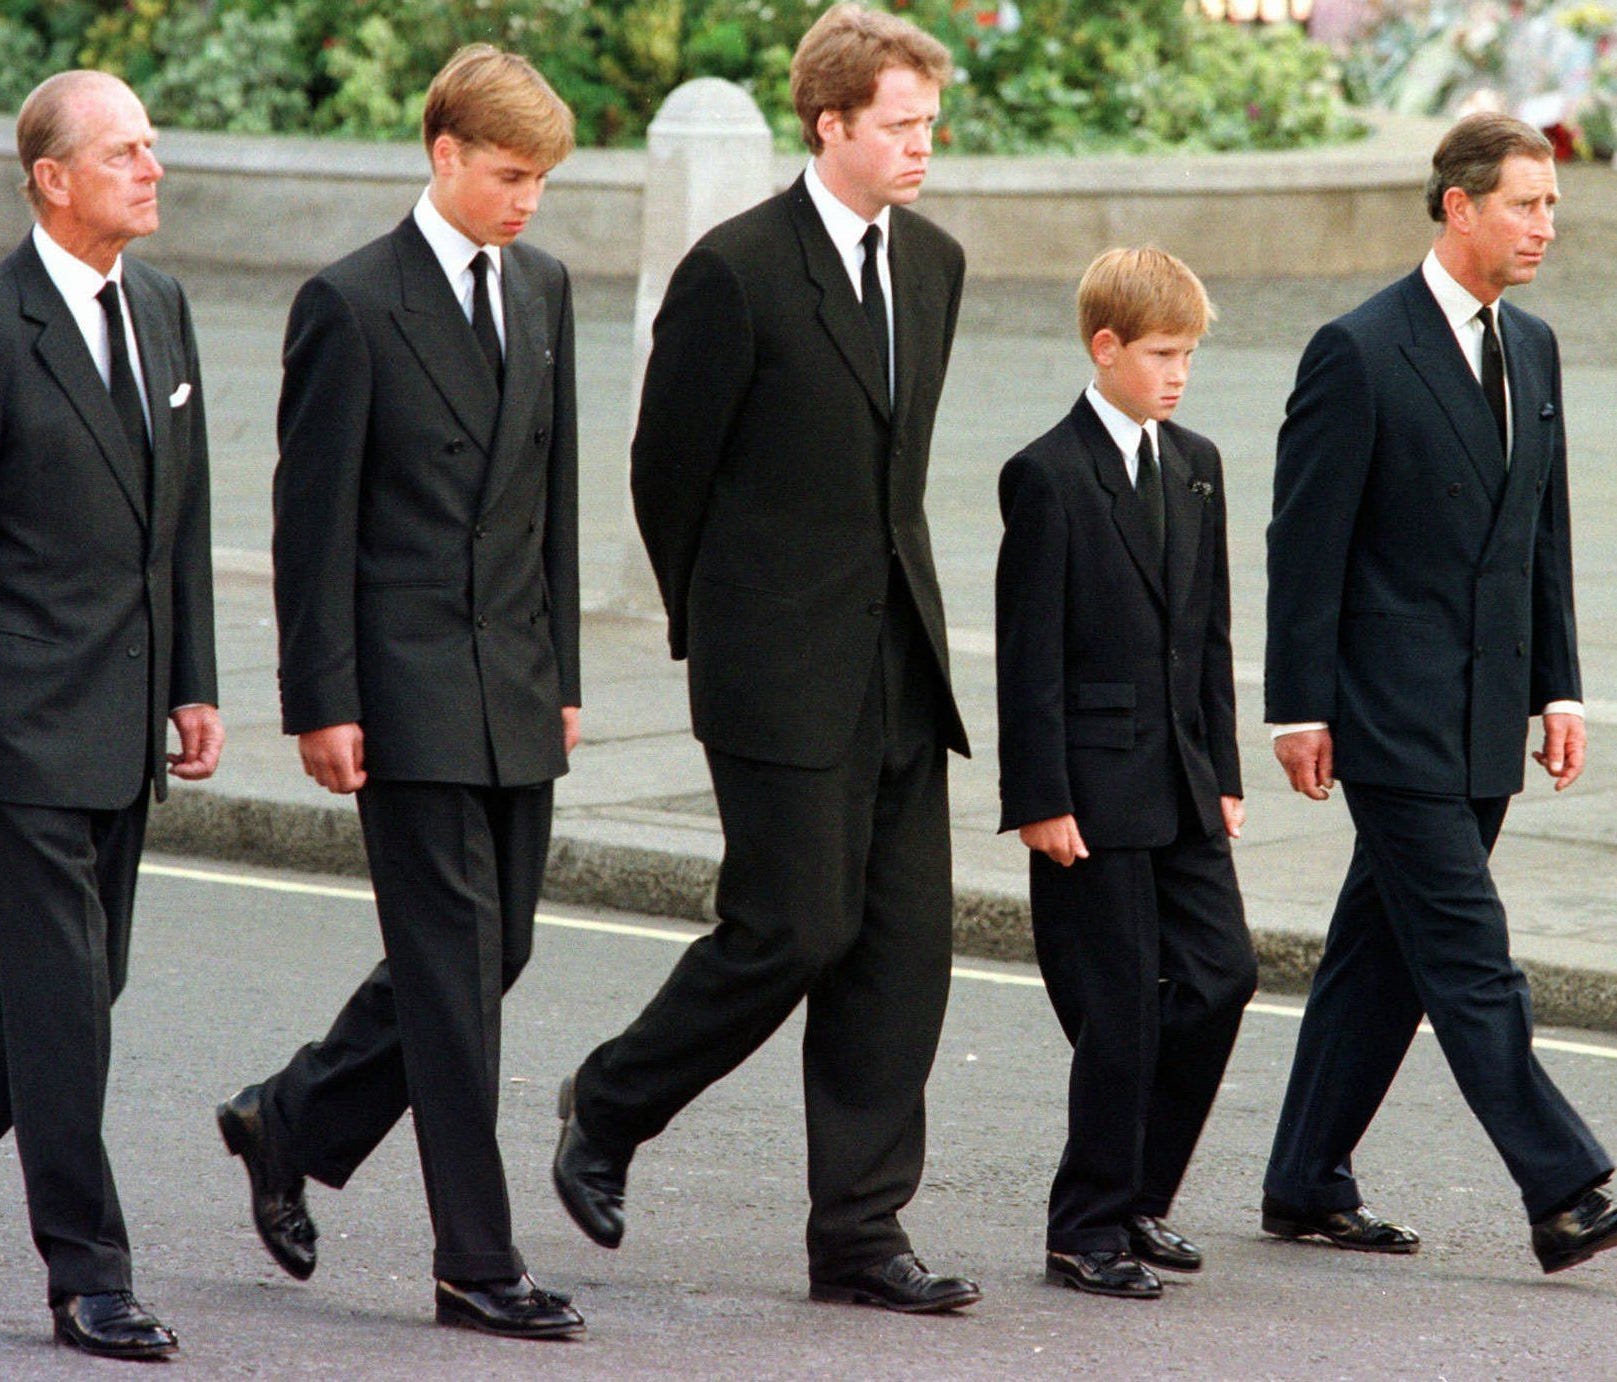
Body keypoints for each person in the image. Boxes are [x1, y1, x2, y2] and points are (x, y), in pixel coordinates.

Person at [551, 3, 979, 1314]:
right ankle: (610, 1100)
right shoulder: (735, 270)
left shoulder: (935, 264)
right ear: (831, 122)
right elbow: (663, 472)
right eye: (899, 124)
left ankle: (858, 1235)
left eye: (927, 122)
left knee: (903, 950)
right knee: (792, 923)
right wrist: (719, 628)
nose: (923, 144)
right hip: (772, 667)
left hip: (898, 658)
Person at [216, 45, 585, 1339]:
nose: (526, 199)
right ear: (443, 153)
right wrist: (319, 698)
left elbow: (554, 497)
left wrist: (570, 680)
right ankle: (474, 1264)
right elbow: (308, 523)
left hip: (517, 684)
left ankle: (291, 1116)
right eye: (506, 174)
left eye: (540, 178)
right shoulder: (352, 301)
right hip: (405, 686)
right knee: (446, 978)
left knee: (502, 950)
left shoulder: (543, 288)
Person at [1263, 112, 1617, 1274]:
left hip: (1486, 711)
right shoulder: (1357, 349)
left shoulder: (1541, 347)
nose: (1545, 227)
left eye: (1552, 206)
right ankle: (1566, 1184)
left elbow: (1542, 536)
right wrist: (1298, 707)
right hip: (1387, 714)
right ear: (1458, 206)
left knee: (1384, 952)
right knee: (1470, 952)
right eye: (1525, 204)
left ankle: (1306, 1178)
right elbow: (1304, 543)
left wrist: (1561, 687)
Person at [0, 70, 222, 1359]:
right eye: (126, 151)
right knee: (66, 1002)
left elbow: (177, 517)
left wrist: (192, 677)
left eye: (153, 148)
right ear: (53, 178)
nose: (151, 169)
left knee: (75, 989)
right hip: (24, 724)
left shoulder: (166, 306)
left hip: (127, 716)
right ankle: (90, 1271)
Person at [994, 248, 1256, 1301]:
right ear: (1105, 348)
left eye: (1189, 352)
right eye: (1161, 353)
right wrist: (1039, 797)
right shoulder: (1048, 472)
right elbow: (1028, 654)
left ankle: (1141, 1187)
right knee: (1120, 1008)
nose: (1179, 372)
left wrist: (1225, 768)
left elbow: (1214, 634)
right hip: (1091, 792)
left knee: (1222, 973)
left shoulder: (1197, 461)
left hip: (1185, 779)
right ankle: (1086, 1225)